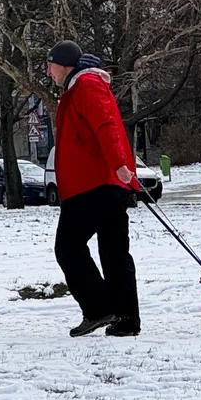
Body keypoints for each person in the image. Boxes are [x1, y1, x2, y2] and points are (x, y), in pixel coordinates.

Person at [48, 40, 140, 338]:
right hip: (105, 182)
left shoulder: (86, 85)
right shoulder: (82, 86)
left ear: (63, 64)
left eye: (50, 66)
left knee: (68, 247)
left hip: (92, 184)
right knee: (114, 251)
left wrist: (118, 164)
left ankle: (100, 308)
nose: (48, 73)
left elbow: (106, 126)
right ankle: (126, 319)